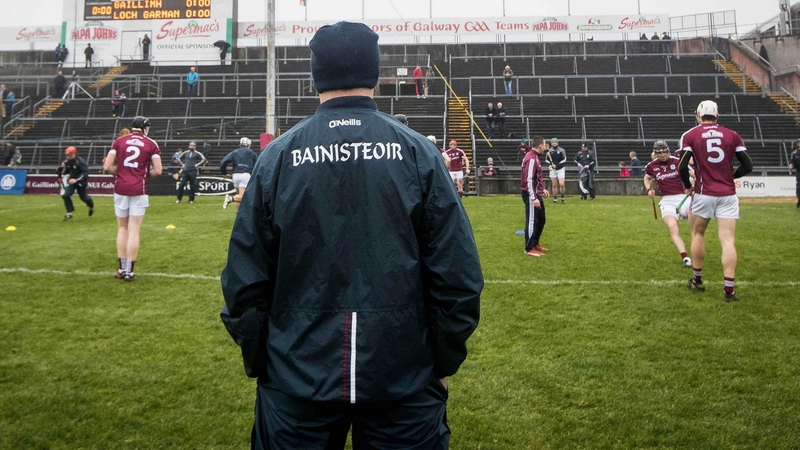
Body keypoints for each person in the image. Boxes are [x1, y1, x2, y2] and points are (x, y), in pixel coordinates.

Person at [220, 21, 482, 449]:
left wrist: (267, 359)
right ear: (374, 73)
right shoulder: (418, 152)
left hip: (299, 374)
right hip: (401, 373)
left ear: (315, 73)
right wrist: (442, 359)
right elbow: (458, 275)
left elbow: (243, 279)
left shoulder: (278, 158)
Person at [678, 100, 753, 302]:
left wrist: (687, 185)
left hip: (704, 192)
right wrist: (732, 177)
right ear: (717, 115)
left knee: (697, 233)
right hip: (727, 194)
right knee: (728, 240)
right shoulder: (732, 135)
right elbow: (748, 165)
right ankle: (729, 290)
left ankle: (697, 279)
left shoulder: (691, 135)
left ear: (698, 115)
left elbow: (682, 166)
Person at [104, 116, 163, 282]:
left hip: (120, 188)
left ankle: (121, 268)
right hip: (139, 189)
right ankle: (129, 271)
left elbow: (107, 166)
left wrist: (121, 175)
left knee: (122, 229)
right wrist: (143, 177)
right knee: (134, 230)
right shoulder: (151, 144)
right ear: (145, 127)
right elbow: (158, 170)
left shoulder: (119, 141)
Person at [645, 140, 693, 269]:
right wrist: (649, 189)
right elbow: (647, 177)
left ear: (668, 151)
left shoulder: (678, 161)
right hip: (666, 200)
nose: (663, 155)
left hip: (683, 197)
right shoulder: (651, 166)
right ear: (656, 153)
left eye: (665, 152)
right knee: (672, 227)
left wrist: (693, 185)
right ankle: (686, 257)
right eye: (660, 153)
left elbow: (694, 173)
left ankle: (697, 249)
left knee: (694, 220)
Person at [521, 136, 551, 257]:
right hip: (530, 194)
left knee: (541, 219)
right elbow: (528, 179)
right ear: (540, 146)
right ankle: (529, 248)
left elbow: (534, 178)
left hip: (536, 192)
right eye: (544, 144)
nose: (545, 147)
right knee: (532, 220)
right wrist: (533, 197)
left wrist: (541, 189)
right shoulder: (531, 158)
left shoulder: (535, 157)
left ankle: (535, 242)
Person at [220, 137, 258, 211]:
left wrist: (225, 173)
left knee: (238, 195)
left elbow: (223, 162)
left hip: (235, 175)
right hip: (245, 175)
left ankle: (238, 214)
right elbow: (258, 162)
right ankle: (230, 198)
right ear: (248, 145)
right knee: (243, 197)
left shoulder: (235, 152)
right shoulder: (251, 152)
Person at [56, 146, 94, 221]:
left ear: (74, 154)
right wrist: (62, 174)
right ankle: (69, 213)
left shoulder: (80, 162)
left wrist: (76, 180)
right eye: (67, 155)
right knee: (66, 195)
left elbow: (85, 173)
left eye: (69, 155)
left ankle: (90, 205)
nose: (67, 156)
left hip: (81, 182)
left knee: (83, 197)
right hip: (71, 181)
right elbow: (66, 169)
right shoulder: (67, 161)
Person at [547, 137, 567, 203]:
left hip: (560, 169)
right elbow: (547, 160)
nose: (554, 143)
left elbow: (564, 160)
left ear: (557, 143)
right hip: (553, 169)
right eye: (553, 142)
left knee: (561, 184)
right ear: (551, 143)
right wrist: (550, 165)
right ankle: (555, 198)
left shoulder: (562, 150)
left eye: (555, 142)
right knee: (554, 184)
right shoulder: (549, 151)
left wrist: (557, 165)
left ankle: (562, 197)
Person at [791, 139, 800, 208]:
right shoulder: (794, 153)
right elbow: (792, 163)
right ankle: (799, 200)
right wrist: (791, 165)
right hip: (799, 172)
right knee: (798, 187)